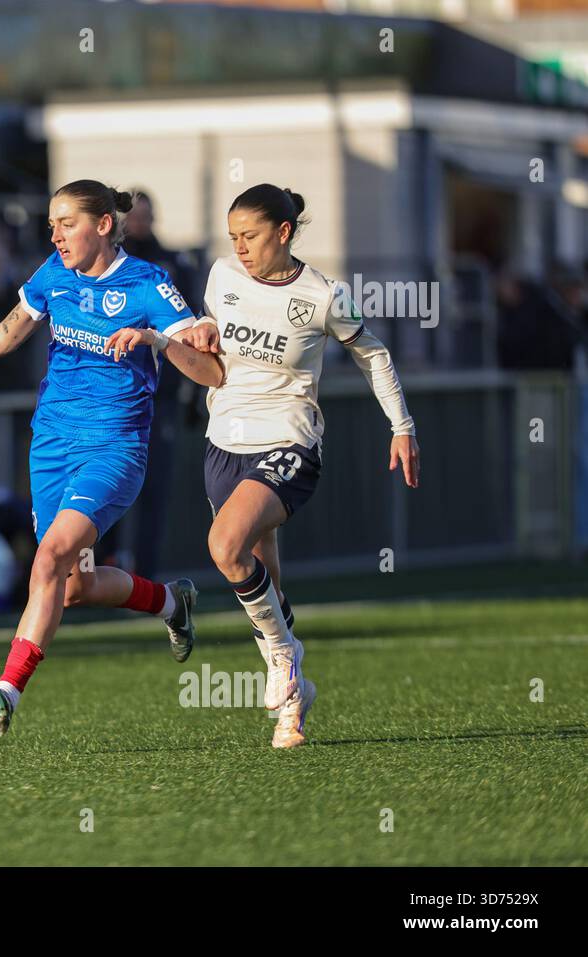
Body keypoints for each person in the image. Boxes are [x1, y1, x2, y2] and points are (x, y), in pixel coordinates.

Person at [0, 180, 225, 736]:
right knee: (72, 585)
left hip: (114, 449)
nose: (55, 233)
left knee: (49, 557)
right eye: (52, 223)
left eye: (67, 223)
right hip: (52, 445)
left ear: (103, 225)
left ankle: (6, 691)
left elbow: (213, 374)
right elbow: (1, 337)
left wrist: (158, 341)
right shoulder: (53, 275)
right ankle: (171, 603)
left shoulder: (149, 285)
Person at [183, 184, 421, 748]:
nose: (239, 247)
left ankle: (285, 656)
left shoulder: (324, 295)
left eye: (251, 235)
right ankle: (293, 700)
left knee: (225, 547)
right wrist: (187, 333)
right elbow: (207, 350)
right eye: (233, 236)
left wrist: (403, 426)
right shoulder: (221, 276)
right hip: (224, 441)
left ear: (283, 232)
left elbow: (374, 354)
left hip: (289, 439)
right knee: (257, 573)